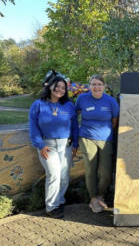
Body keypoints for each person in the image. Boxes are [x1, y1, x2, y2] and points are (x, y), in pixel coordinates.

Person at [29, 76, 79, 219]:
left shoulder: (69, 105)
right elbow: (33, 128)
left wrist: (75, 144)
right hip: (47, 147)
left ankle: (60, 201)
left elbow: (75, 126)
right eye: (57, 86)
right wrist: (41, 146)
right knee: (54, 175)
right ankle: (51, 207)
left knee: (64, 177)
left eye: (63, 88)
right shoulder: (38, 105)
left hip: (66, 146)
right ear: (50, 86)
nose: (60, 90)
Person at [75, 74, 119, 213]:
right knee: (91, 170)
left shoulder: (111, 101)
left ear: (104, 87)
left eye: (99, 84)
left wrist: (106, 133)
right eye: (93, 84)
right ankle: (93, 198)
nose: (96, 87)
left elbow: (115, 120)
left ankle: (100, 194)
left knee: (106, 173)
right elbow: (75, 115)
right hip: (87, 137)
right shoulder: (82, 98)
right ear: (89, 86)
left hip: (106, 139)